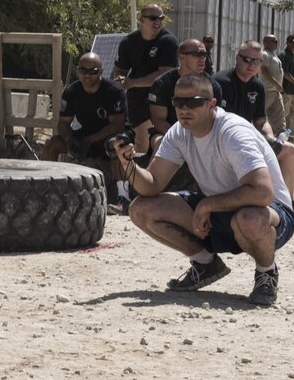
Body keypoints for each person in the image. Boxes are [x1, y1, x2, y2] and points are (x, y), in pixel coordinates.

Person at [116, 72, 294, 305]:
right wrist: (127, 163)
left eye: (193, 102)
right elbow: (151, 185)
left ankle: (266, 273)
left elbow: (262, 192)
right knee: (141, 209)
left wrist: (207, 205)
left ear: (211, 104)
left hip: (269, 211)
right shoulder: (179, 132)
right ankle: (205, 264)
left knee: (249, 217)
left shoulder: (232, 132)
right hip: (219, 207)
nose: (184, 109)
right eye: (178, 103)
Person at [41, 52, 129, 213]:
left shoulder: (113, 91)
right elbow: (63, 123)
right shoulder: (71, 92)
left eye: (92, 71)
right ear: (78, 71)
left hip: (108, 136)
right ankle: (48, 192)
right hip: (86, 136)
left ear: (101, 72)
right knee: (53, 143)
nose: (87, 75)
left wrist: (90, 140)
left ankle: (123, 198)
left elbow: (117, 125)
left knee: (117, 145)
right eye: (83, 71)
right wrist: (69, 139)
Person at [212, 41, 294, 195]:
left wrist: (270, 138)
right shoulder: (219, 82)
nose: (251, 65)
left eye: (256, 61)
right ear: (237, 58)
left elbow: (261, 121)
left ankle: (286, 206)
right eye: (246, 59)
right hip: (222, 141)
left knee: (289, 150)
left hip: (248, 139)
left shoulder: (257, 87)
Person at [113, 4, 179, 153]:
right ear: (142, 19)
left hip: (162, 97)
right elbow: (120, 69)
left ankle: (155, 172)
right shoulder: (128, 42)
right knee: (140, 139)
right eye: (153, 18)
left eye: (161, 18)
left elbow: (165, 74)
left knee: (158, 138)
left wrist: (132, 82)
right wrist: (121, 80)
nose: (158, 22)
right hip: (137, 97)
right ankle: (139, 172)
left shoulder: (168, 42)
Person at [148, 38, 223, 154]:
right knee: (160, 142)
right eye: (197, 54)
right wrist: (180, 137)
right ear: (182, 57)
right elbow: (158, 120)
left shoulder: (212, 86)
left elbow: (214, 120)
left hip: (202, 134)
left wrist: (196, 137)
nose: (202, 58)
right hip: (167, 132)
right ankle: (154, 172)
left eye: (204, 54)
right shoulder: (163, 83)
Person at [259, 34, 286, 136]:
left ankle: (281, 138)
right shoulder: (265, 54)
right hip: (267, 91)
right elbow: (264, 70)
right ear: (266, 42)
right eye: (274, 41)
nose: (277, 43)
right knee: (262, 115)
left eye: (277, 41)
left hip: (275, 91)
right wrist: (276, 83)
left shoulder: (273, 55)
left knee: (280, 116)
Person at [281, 35, 294, 134]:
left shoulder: (292, 56)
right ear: (287, 42)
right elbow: (285, 73)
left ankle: (288, 134)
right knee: (285, 114)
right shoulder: (283, 55)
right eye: (291, 42)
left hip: (292, 91)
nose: (293, 44)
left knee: (291, 115)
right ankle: (282, 137)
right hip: (286, 90)